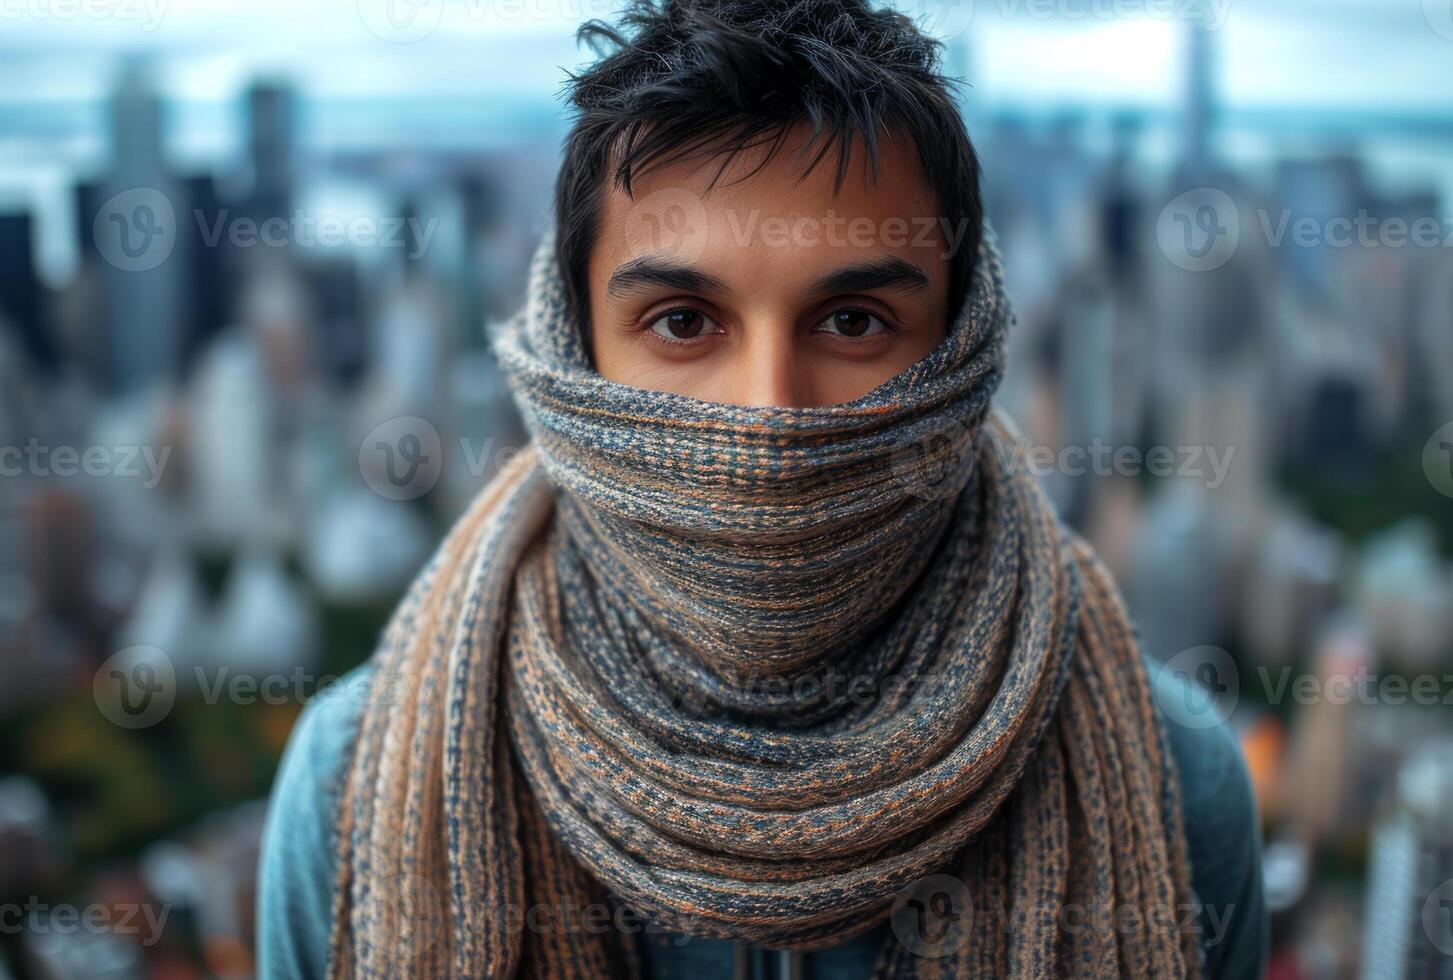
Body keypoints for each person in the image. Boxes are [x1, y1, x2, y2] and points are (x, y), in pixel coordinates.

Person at [258, 1, 1266, 977]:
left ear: (964, 347)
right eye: (684, 323)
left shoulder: (1172, 785)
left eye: (856, 321)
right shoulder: (354, 784)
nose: (768, 422)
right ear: (575, 354)